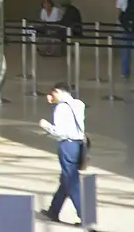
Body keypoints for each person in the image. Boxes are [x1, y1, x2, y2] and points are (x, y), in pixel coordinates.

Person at [39, 82, 87, 225]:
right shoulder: (79, 104)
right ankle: (54, 211)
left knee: (71, 182)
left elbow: (60, 132)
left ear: (58, 91)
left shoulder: (61, 108)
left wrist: (45, 125)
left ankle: (85, 216)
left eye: (53, 93)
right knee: (66, 180)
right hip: (78, 145)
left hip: (67, 145)